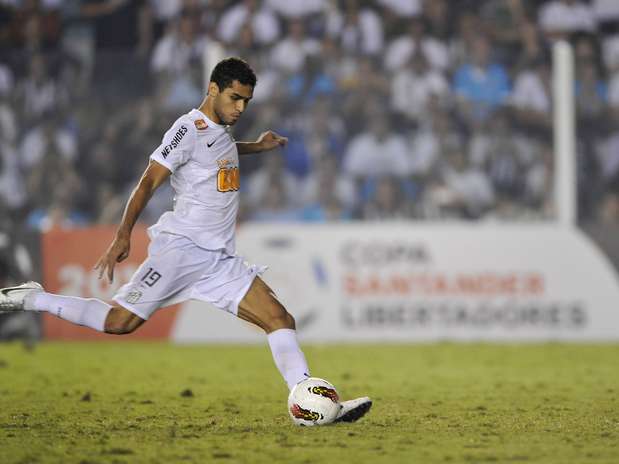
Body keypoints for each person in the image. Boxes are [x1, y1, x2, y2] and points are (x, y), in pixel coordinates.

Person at [0, 57, 371, 424]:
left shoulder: (220, 130)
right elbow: (148, 180)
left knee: (279, 318)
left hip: (220, 261)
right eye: (235, 98)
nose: (241, 107)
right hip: (181, 253)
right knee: (118, 323)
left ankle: (309, 398)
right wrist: (122, 235)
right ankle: (34, 297)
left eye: (246, 101)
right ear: (213, 89)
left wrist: (257, 146)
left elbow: (219, 151)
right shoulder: (185, 129)